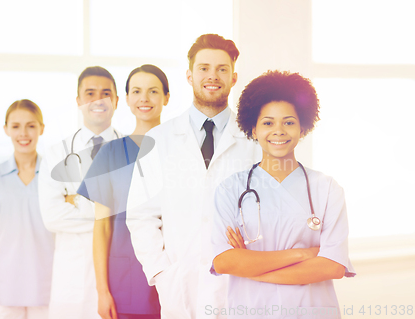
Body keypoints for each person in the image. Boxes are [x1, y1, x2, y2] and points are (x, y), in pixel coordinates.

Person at [126, 34, 256, 319]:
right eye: (204, 68)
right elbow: (140, 216)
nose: (213, 76)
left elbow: (270, 211)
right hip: (179, 289)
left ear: (234, 77)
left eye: (222, 69)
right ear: (189, 75)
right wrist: (161, 273)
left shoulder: (254, 140)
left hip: (239, 286)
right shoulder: (159, 139)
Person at [211, 70, 356, 319]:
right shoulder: (230, 189)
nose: (278, 131)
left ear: (302, 128)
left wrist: (250, 266)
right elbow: (224, 262)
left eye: (288, 122)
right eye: (268, 123)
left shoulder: (327, 189)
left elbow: (332, 266)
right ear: (253, 129)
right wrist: (303, 254)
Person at [78, 64, 168, 319]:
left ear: (166, 97)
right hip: (125, 281)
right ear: (126, 99)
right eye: (137, 91)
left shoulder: (179, 152)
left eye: (153, 91)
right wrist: (102, 290)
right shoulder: (110, 154)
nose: (144, 98)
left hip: (174, 274)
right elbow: (102, 226)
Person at [38, 67, 122, 319]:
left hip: (119, 271)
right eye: (90, 93)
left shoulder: (132, 151)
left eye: (106, 93)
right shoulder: (56, 154)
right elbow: (52, 217)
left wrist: (76, 201)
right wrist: (106, 212)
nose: (98, 99)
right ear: (78, 101)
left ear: (116, 101)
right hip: (72, 279)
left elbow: (135, 216)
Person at [0, 99, 54, 319]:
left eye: (31, 125)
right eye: (16, 126)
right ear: (6, 129)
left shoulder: (56, 177)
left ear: (41, 128)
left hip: (49, 290)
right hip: (3, 292)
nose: (23, 133)